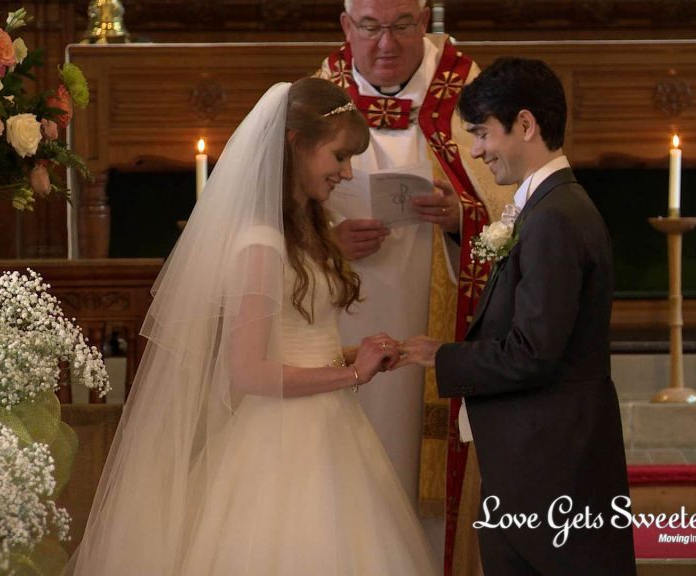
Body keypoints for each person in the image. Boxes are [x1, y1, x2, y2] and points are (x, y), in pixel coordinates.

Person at [70, 78, 437, 575]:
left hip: (328, 428)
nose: (348, 173)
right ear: (296, 146)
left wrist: (362, 354)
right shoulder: (260, 246)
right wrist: (353, 375)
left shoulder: (301, 238)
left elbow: (298, 345)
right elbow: (249, 373)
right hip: (282, 441)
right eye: (339, 157)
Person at [398, 58, 636, 575]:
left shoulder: (554, 217)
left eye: (483, 133)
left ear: (525, 125)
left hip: (552, 466)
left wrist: (444, 357)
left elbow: (534, 353)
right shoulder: (544, 207)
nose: (478, 151)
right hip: (537, 457)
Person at [316, 1, 511, 565]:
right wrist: (327, 239)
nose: (386, 43)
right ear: (346, 26)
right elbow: (276, 209)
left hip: (436, 321)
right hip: (339, 313)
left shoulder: (469, 91)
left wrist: (461, 220)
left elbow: (509, 205)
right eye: (370, 27)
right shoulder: (315, 94)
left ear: (426, 21)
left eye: (402, 26)